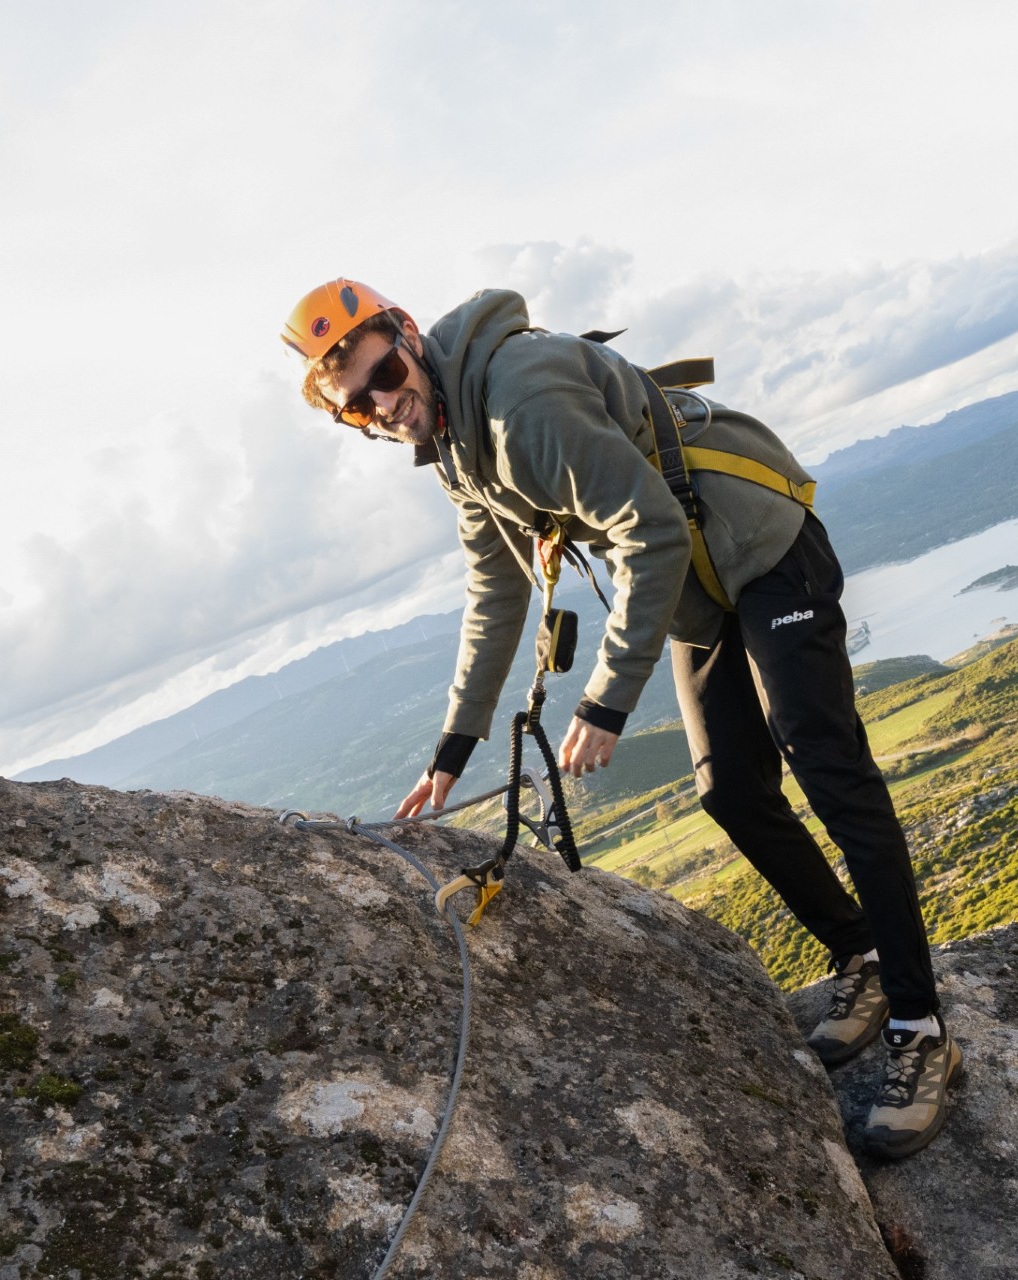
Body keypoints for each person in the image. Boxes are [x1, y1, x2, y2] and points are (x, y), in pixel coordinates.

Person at [282, 278, 960, 1158]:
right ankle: (862, 954)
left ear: (407, 333)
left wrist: (605, 701)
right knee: (731, 792)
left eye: (381, 373)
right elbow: (494, 590)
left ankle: (921, 1026)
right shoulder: (454, 446)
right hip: (697, 593)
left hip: (758, 543)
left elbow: (651, 531)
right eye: (355, 409)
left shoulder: (519, 403)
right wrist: (455, 744)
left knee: (823, 760)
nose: (379, 407)